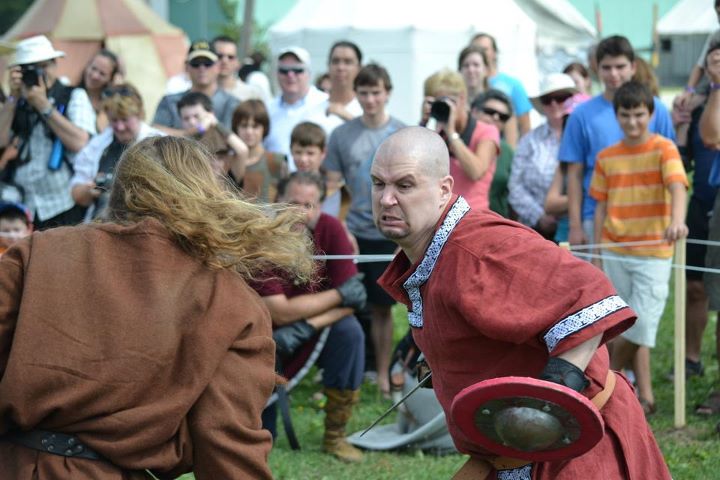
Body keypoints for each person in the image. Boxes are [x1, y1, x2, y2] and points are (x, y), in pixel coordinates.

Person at [0, 135, 316, 479]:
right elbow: (228, 447)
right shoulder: (228, 299)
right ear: (206, 193)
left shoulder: (37, 252)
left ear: (121, 188)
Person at [371, 126, 672, 479]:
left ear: (444, 190)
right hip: (511, 458)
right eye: (379, 184)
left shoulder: (478, 250)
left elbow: (589, 291)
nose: (387, 199)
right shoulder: (433, 254)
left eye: (404, 185)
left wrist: (556, 394)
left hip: (577, 455)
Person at [253, 171, 366, 462]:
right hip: (265, 332)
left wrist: (308, 325)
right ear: (277, 199)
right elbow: (277, 309)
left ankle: (335, 436)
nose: (299, 212)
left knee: (350, 333)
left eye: (308, 205)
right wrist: (339, 296)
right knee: (264, 436)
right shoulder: (261, 235)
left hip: (308, 328)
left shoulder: (330, 229)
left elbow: (356, 299)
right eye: (292, 202)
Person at [590, 81, 688, 415]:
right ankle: (644, 397)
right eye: (626, 115)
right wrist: (597, 251)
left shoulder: (664, 148)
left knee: (642, 322)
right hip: (616, 247)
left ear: (650, 114)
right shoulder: (607, 156)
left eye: (639, 115)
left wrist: (677, 221)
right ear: (616, 116)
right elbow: (600, 207)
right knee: (623, 322)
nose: (633, 122)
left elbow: (678, 187)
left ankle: (602, 382)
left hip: (654, 251)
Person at [323, 63, 405, 396]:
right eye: (364, 93)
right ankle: (344, 376)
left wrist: (406, 235)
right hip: (353, 230)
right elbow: (332, 186)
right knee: (342, 304)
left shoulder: (402, 133)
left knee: (383, 308)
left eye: (376, 92)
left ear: (387, 93)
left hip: (389, 232)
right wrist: (341, 228)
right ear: (355, 94)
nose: (370, 99)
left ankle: (384, 375)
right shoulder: (341, 135)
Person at [559, 35, 675, 247]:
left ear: (633, 67)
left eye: (620, 66)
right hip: (596, 217)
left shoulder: (657, 110)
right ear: (597, 69)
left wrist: (674, 219)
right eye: (607, 67)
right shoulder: (581, 115)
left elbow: (672, 168)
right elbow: (574, 175)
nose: (614, 74)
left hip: (649, 220)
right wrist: (575, 226)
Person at [0, 35, 96, 230]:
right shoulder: (15, 101)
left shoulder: (73, 95)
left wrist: (43, 105)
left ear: (54, 64)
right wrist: (12, 98)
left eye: (43, 66)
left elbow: (80, 142)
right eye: (30, 68)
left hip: (62, 202)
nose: (38, 74)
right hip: (22, 206)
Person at [71, 84, 164, 220]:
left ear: (139, 114)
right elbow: (76, 192)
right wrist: (89, 191)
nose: (120, 127)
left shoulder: (159, 143)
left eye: (125, 119)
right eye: (114, 120)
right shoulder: (98, 145)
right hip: (101, 220)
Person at [509, 73, 577, 240]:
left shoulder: (585, 137)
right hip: (536, 231)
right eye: (548, 99)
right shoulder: (529, 141)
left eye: (560, 98)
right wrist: (539, 217)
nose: (554, 104)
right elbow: (515, 186)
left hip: (577, 226)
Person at [422, 69, 499, 210]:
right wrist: (423, 123)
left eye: (448, 101)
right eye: (437, 103)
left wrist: (452, 133)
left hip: (473, 217)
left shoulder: (486, 131)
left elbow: (475, 171)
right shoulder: (434, 136)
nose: (445, 107)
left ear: (462, 98)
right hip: (440, 218)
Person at [153, 40, 240, 135]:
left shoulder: (232, 103)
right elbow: (154, 132)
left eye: (208, 63)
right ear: (186, 67)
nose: (202, 68)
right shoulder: (170, 102)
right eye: (196, 63)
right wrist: (191, 132)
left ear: (218, 66)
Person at [264, 47, 328, 169]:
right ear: (276, 74)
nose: (290, 75)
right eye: (284, 70)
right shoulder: (267, 109)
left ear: (309, 73)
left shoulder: (326, 104)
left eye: (297, 70)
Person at [470, 33, 533, 141]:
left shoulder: (513, 85)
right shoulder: (468, 86)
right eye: (475, 49)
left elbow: (525, 127)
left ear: (494, 53)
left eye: (485, 49)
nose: (480, 53)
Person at [177, 91, 248, 182]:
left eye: (196, 116)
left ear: (210, 115)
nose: (192, 122)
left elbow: (242, 150)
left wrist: (216, 123)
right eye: (186, 118)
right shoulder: (181, 150)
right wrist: (200, 129)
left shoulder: (224, 143)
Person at [233, 99, 288, 203]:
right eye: (244, 126)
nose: (249, 132)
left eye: (255, 126)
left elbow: (286, 201)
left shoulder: (277, 161)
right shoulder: (227, 162)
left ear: (264, 128)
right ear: (236, 128)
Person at [470, 89, 515, 218]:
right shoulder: (458, 143)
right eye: (490, 112)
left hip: (497, 223)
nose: (496, 118)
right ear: (474, 111)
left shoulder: (507, 152)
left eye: (502, 117)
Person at [306, 41, 363, 136]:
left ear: (359, 68)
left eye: (348, 62)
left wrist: (346, 116)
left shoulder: (370, 109)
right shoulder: (312, 113)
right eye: (335, 61)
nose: (340, 67)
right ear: (328, 66)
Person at [210, 36, 265, 103]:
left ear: (237, 62)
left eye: (230, 57)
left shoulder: (252, 94)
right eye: (219, 56)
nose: (225, 61)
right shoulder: (200, 93)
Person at [78, 49, 120, 133]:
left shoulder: (109, 105)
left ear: (110, 79)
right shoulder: (70, 93)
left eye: (102, 73)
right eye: (93, 68)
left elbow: (102, 129)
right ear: (87, 66)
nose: (95, 76)